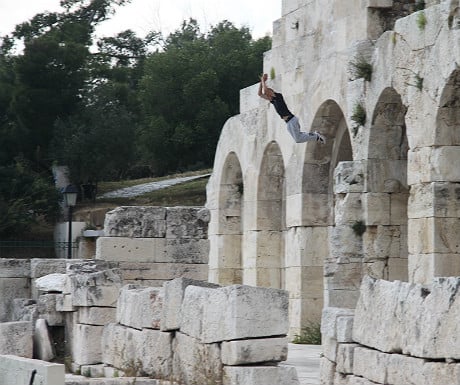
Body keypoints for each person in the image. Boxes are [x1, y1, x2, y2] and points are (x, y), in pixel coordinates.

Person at [258, 73, 325, 144]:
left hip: (292, 120)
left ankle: (316, 136)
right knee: (298, 138)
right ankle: (315, 135)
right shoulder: (273, 101)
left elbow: (265, 90)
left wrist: (263, 80)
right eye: (267, 96)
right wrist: (261, 83)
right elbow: (260, 94)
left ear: (272, 92)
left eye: (268, 94)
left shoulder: (278, 96)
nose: (267, 96)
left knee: (298, 139)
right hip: (288, 123)